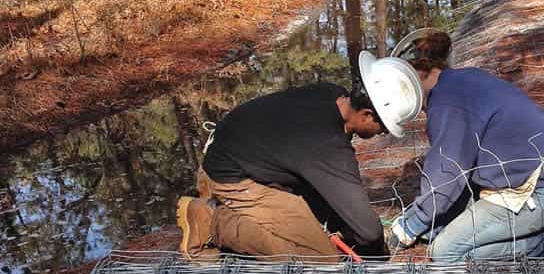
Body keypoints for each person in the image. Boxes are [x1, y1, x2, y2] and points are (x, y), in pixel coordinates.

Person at [375, 30, 544, 262]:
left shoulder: (448, 106)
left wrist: (410, 226)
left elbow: (445, 179)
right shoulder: (461, 79)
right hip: (536, 177)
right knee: (444, 226)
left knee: (446, 252)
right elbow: (456, 173)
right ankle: (539, 224)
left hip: (539, 191)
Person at [177, 67, 422, 263]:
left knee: (314, 221)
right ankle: (210, 221)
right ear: (367, 114)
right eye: (383, 127)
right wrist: (376, 251)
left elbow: (312, 169)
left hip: (234, 150)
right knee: (320, 258)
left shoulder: (331, 93)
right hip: (231, 177)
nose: (381, 134)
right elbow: (369, 231)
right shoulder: (327, 143)